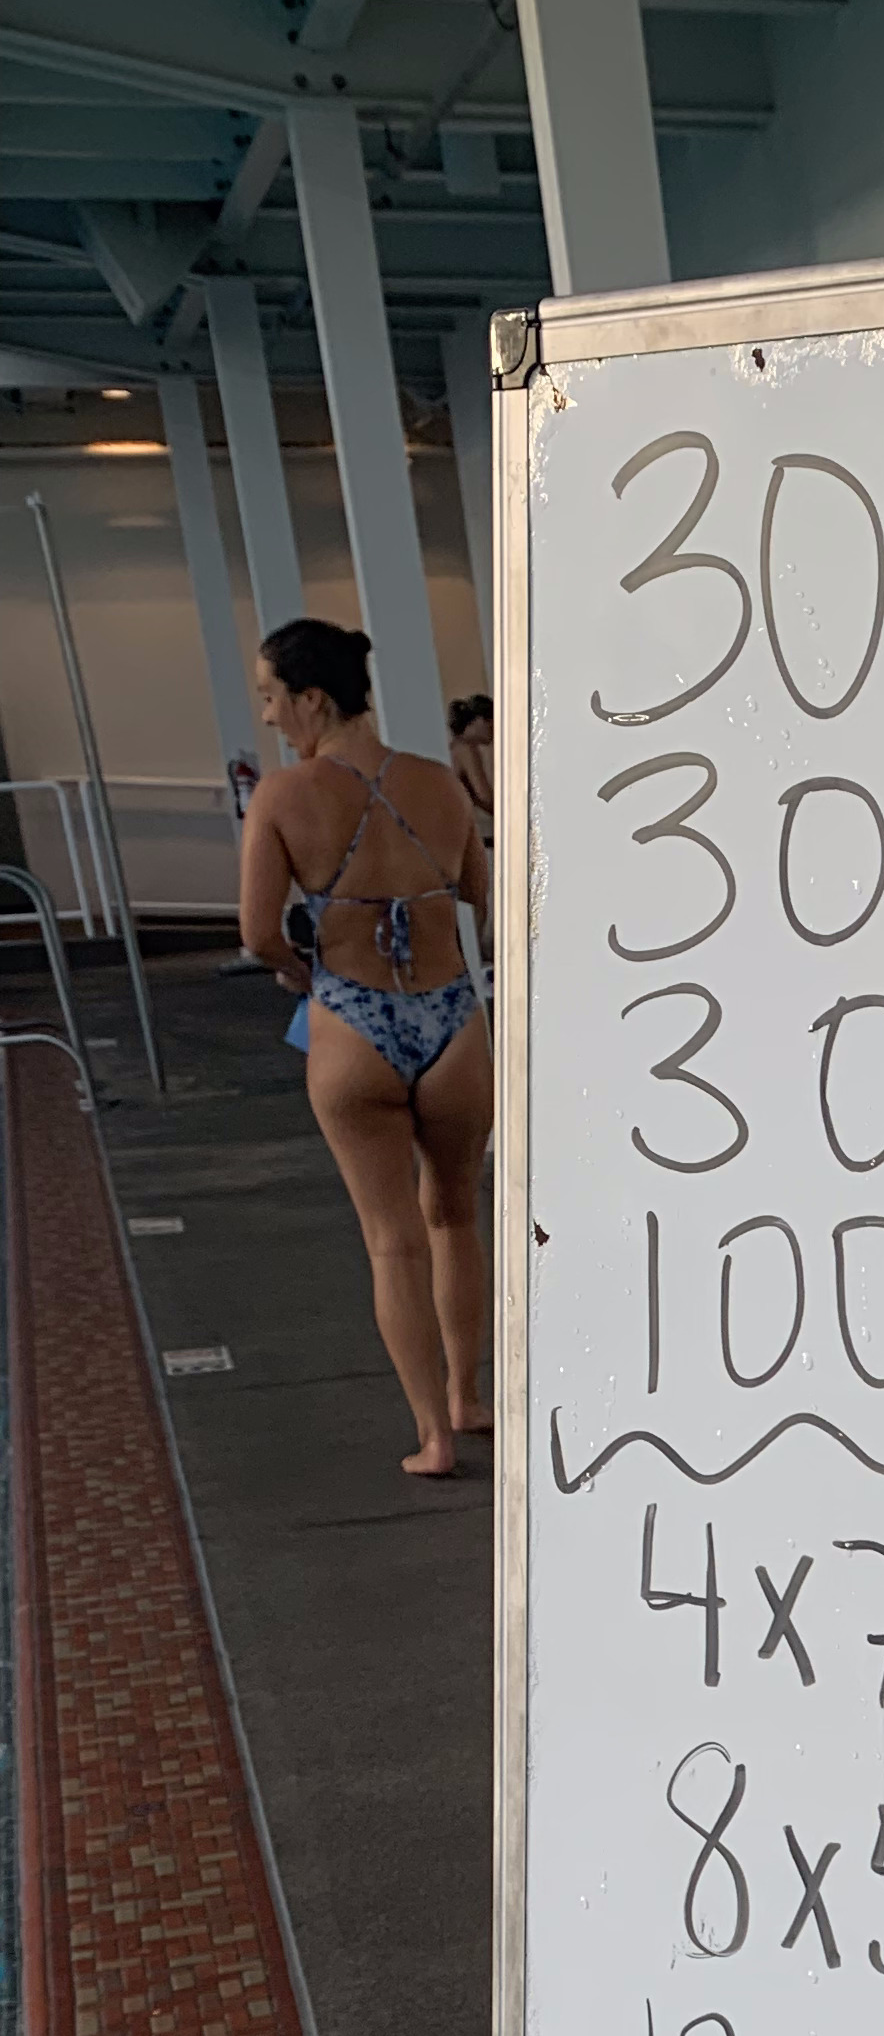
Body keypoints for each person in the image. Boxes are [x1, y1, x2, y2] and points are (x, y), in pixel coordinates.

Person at [238, 620, 492, 1477]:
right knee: (455, 1214)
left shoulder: (283, 797)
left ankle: (432, 1437)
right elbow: (481, 895)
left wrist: (303, 974)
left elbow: (257, 933)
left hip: (352, 1022)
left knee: (392, 1240)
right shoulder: (438, 783)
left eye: (271, 696)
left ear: (312, 699)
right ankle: (468, 1396)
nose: (268, 716)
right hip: (452, 1018)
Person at [449, 691, 496, 825]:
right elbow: (485, 796)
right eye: (491, 725)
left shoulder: (455, 747)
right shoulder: (466, 749)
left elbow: (476, 797)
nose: (494, 731)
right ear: (479, 720)